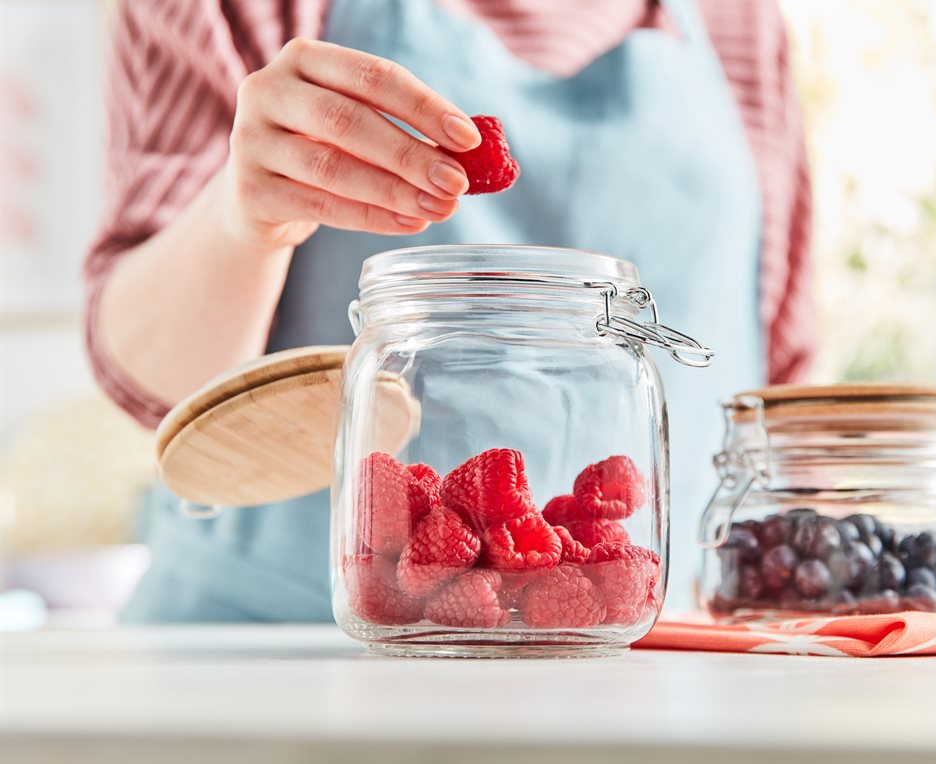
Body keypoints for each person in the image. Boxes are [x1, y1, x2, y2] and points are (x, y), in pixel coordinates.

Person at [86, 0, 814, 621]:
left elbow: (781, 390)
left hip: (638, 659)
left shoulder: (739, 18)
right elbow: (159, 385)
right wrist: (242, 217)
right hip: (283, 662)